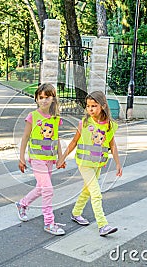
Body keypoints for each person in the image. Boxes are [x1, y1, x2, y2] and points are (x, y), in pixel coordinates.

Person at [57, 90, 123, 237]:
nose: (90, 109)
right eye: (88, 106)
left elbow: (112, 145)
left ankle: (76, 213)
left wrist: (118, 164)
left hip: (98, 164)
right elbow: (74, 141)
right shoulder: (84, 123)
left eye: (94, 106)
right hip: (84, 163)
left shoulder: (109, 126)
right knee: (96, 192)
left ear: (103, 106)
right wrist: (62, 158)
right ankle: (103, 224)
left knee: (87, 190)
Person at [16, 83, 66, 236]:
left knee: (41, 188)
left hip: (49, 159)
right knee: (48, 189)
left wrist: (61, 158)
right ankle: (49, 223)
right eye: (41, 97)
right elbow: (25, 137)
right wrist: (21, 158)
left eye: (47, 97)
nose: (44, 100)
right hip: (36, 159)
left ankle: (22, 204)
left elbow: (56, 139)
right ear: (36, 99)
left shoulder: (56, 118)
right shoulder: (33, 116)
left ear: (53, 99)